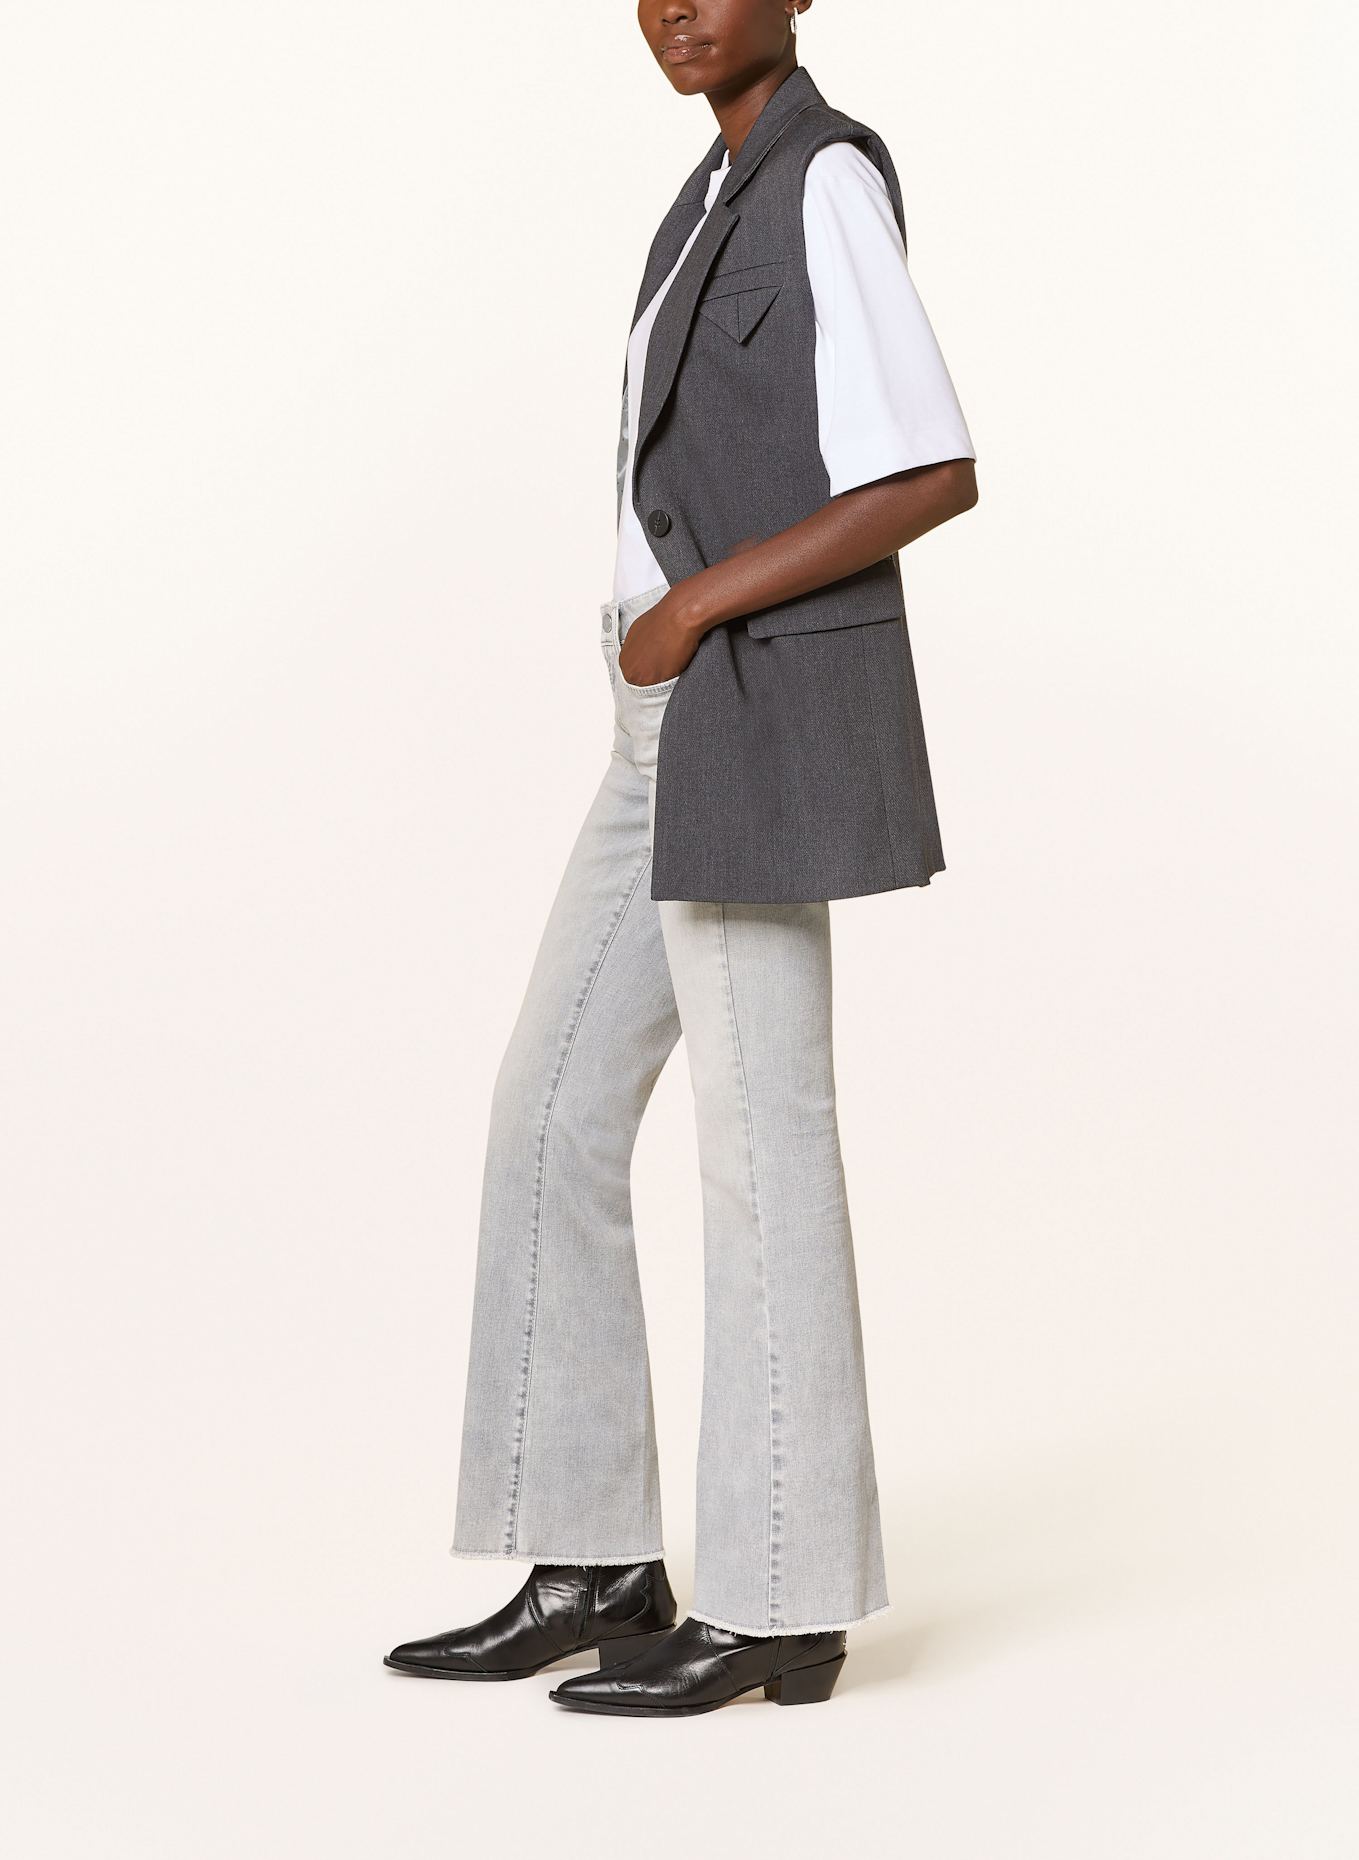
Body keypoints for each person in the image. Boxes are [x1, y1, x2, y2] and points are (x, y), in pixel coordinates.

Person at [385, 2, 977, 1718]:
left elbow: (931, 466)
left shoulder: (823, 180)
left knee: (758, 1144)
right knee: (551, 1110)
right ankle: (594, 1556)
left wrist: (697, 607)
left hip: (745, 701)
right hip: (662, 720)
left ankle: (787, 1596)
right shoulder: (708, 195)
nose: (675, 6)